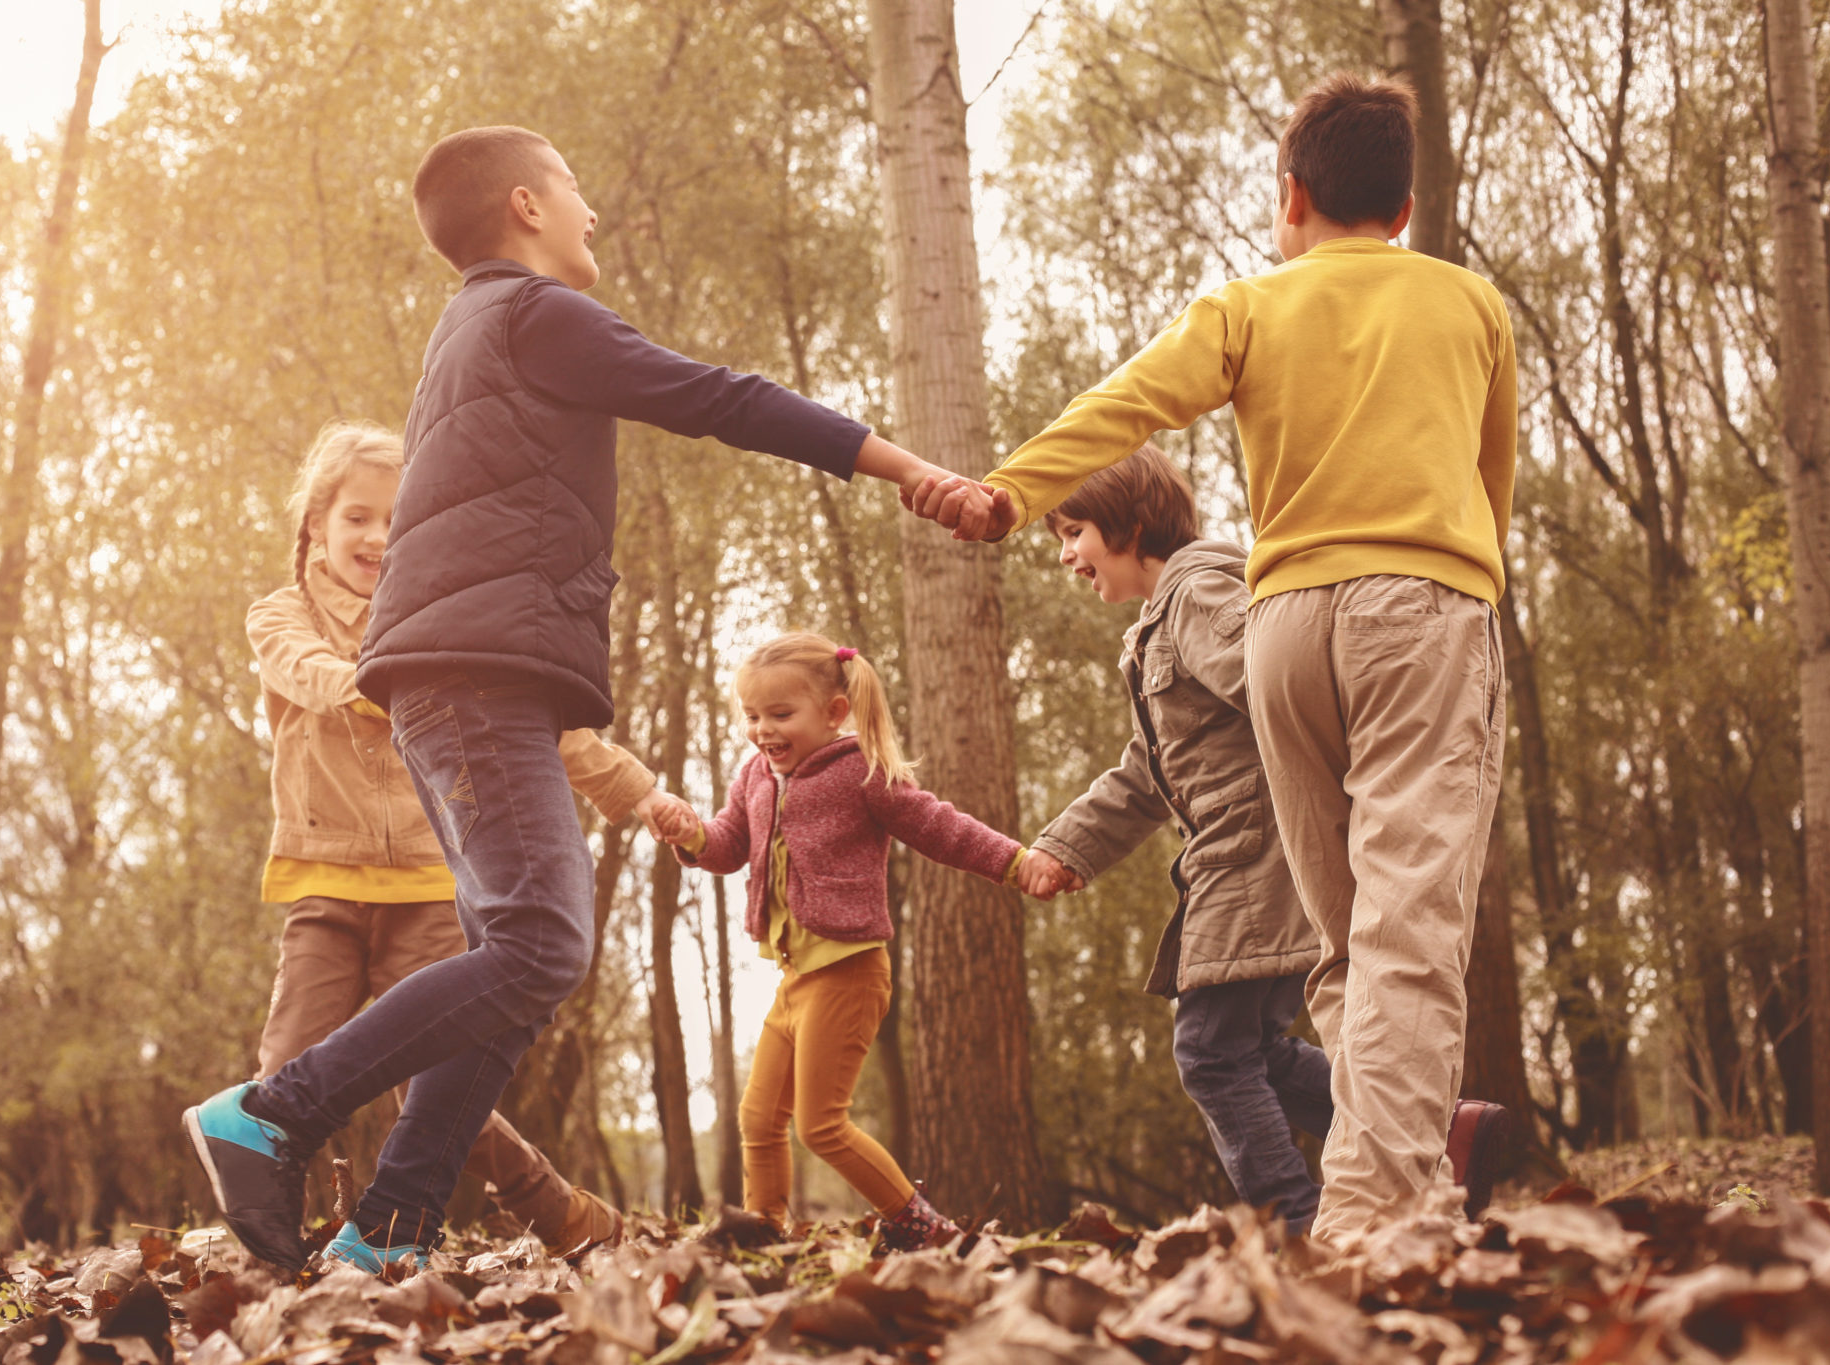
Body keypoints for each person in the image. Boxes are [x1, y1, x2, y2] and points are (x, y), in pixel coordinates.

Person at [185, 126, 958, 1271]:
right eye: (577, 187)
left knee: (510, 963)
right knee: (543, 943)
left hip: (451, 686)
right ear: (525, 206)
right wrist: (905, 469)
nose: (591, 212)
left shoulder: (471, 331)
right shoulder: (529, 313)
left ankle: (388, 1227)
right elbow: (715, 396)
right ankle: (273, 1109)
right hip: (470, 682)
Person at [914, 75, 1517, 1247]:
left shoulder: (1249, 306)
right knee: (1407, 930)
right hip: (1421, 608)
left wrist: (1007, 492)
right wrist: (1463, 586)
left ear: (1288, 196)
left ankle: (1374, 1195)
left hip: (1285, 622)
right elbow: (1488, 489)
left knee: (1344, 945)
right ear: (1401, 208)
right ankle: (1373, 1218)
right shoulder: (1467, 306)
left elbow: (1126, 404)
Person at [242, 419, 690, 1257]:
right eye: (357, 517)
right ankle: (263, 1226)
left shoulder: (443, 622)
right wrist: (396, 679)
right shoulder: (280, 615)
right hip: (328, 883)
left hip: (427, 885)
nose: (377, 537)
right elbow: (305, 671)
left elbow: (549, 733)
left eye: (396, 519)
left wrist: (641, 794)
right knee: (288, 1062)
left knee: (442, 1090)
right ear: (316, 524)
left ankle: (556, 1210)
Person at [1016, 445, 1329, 1235]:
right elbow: (1145, 773)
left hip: (1252, 851)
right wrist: (1066, 845)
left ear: (1133, 520)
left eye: (1074, 530)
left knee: (1212, 1054)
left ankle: (1298, 1226)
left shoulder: (1197, 595)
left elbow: (1278, 684)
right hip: (1243, 855)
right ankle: (1444, 1133)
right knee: (1253, 1045)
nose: (1065, 555)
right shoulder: (1162, 625)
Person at [666, 633, 1030, 1250]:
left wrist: (1016, 864)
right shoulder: (755, 776)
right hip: (794, 978)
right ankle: (764, 1234)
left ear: (834, 712)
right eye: (752, 717)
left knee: (821, 1124)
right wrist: (692, 834)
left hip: (849, 971)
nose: (762, 731)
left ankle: (920, 1223)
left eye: (781, 715)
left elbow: (939, 826)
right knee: (759, 1119)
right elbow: (728, 845)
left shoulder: (861, 772)